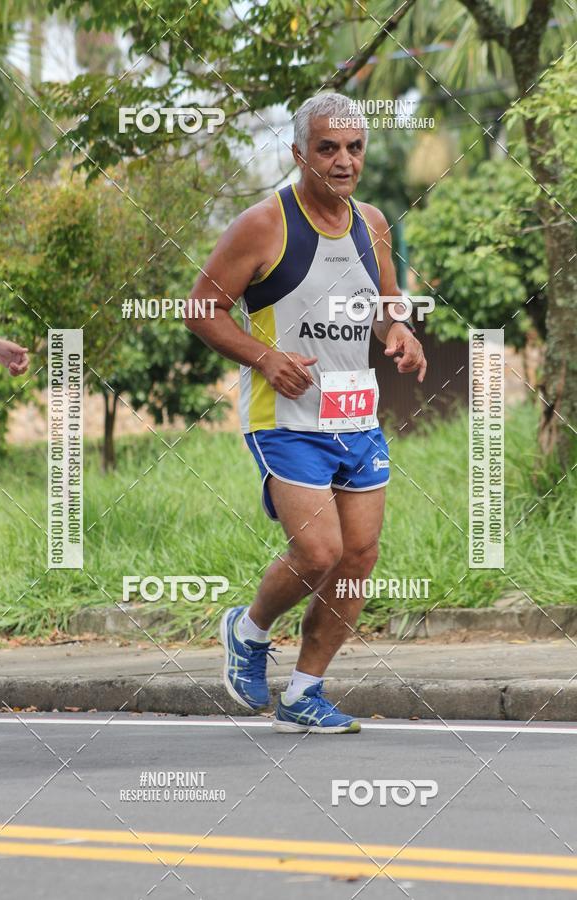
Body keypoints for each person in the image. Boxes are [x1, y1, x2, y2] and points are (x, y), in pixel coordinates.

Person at [186, 92, 426, 734]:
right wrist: (264, 358)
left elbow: (387, 304)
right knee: (319, 552)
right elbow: (201, 309)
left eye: (353, 148)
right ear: (299, 154)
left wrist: (399, 335)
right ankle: (249, 628)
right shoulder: (265, 225)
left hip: (356, 417)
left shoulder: (371, 222)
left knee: (359, 557)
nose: (343, 161)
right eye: (327, 148)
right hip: (285, 417)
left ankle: (303, 691)